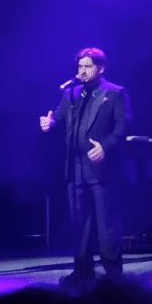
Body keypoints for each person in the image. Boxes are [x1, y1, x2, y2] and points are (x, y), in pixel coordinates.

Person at [40, 47, 131, 288]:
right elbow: (57, 117)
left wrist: (105, 147)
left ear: (101, 68)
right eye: (80, 66)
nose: (83, 70)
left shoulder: (114, 93)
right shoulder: (72, 93)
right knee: (79, 222)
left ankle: (113, 274)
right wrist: (49, 122)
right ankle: (82, 270)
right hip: (76, 167)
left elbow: (122, 128)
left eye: (88, 66)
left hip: (101, 168)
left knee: (106, 224)